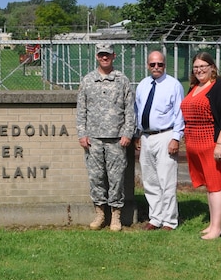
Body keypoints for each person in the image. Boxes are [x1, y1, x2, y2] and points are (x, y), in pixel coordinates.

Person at [180, 51, 221, 240]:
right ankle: (212, 224)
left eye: (203, 67)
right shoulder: (195, 87)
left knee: (216, 186)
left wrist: (220, 144)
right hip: (196, 143)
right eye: (196, 67)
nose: (199, 70)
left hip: (213, 144)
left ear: (212, 67)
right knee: (210, 186)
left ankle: (217, 229)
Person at [76, 42, 135, 231]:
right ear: (96, 56)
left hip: (117, 139)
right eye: (101, 54)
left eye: (107, 54)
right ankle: (100, 213)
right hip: (93, 140)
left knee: (117, 178)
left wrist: (127, 133)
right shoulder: (87, 80)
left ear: (113, 56)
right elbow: (81, 110)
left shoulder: (122, 80)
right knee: (96, 178)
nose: (104, 57)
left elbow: (130, 110)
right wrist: (82, 134)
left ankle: (116, 215)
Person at [134, 51, 185, 230]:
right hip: (146, 137)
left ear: (165, 65)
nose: (156, 67)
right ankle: (155, 218)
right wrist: (138, 134)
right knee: (150, 180)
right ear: (148, 65)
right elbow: (137, 111)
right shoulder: (143, 85)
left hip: (166, 136)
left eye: (160, 64)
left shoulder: (173, 85)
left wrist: (176, 138)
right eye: (152, 64)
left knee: (167, 180)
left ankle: (170, 220)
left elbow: (180, 114)